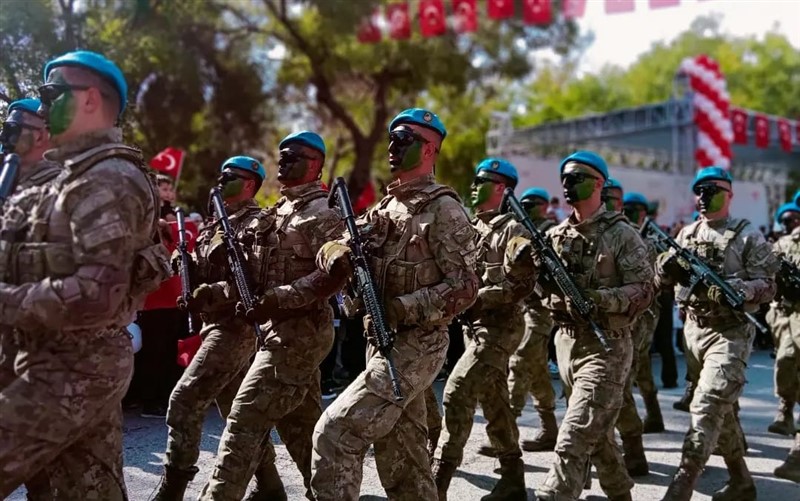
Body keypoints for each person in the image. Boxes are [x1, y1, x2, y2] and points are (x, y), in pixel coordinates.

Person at [0, 50, 169, 499]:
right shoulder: (71, 176)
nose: (41, 106)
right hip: (54, 354)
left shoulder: (109, 177)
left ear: (90, 99)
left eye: (51, 94)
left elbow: (96, 296)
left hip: (76, 364)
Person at [312, 108, 478, 500]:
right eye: (392, 138)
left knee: (336, 433)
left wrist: (405, 306)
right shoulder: (386, 208)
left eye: (404, 139)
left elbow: (466, 288)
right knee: (403, 461)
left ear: (429, 149)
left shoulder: (444, 210)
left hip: (417, 345)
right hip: (380, 343)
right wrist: (333, 252)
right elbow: (341, 249)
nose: (392, 146)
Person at [198, 131, 345, 501]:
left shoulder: (323, 213)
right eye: (281, 156)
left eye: (293, 156)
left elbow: (335, 274)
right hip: (275, 329)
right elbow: (250, 277)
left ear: (315, 164)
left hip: (303, 333)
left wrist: (282, 297)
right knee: (300, 424)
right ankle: (326, 493)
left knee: (244, 416)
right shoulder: (275, 214)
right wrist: (215, 292)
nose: (283, 162)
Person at [536, 151, 654, 501]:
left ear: (599, 183)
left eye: (577, 177)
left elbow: (644, 290)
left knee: (572, 438)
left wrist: (601, 299)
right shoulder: (555, 236)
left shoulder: (621, 234)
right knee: (598, 438)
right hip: (566, 344)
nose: (568, 183)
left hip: (608, 347)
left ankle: (555, 494)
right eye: (566, 178)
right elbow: (542, 294)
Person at [153, 155, 272, 500]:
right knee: (237, 412)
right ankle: (270, 486)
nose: (221, 183)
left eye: (230, 177)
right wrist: (183, 261)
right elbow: (202, 268)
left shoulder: (257, 224)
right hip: (212, 325)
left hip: (235, 327)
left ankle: (172, 489)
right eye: (220, 176)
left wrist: (211, 292)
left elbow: (254, 282)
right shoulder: (214, 224)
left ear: (250, 184)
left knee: (184, 400)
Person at [656, 166, 777, 501]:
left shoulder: (748, 235)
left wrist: (737, 289)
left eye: (711, 189)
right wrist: (665, 268)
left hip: (731, 333)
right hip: (694, 331)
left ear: (729, 194)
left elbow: (769, 286)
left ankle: (683, 482)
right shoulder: (686, 233)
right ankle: (741, 481)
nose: (703, 196)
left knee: (707, 404)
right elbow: (662, 282)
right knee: (722, 414)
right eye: (699, 190)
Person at [434, 158, 535, 500]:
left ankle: (439, 480)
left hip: (500, 328)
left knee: (457, 391)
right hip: (473, 329)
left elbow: (522, 285)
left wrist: (477, 297)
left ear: (501, 189)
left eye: (483, 182)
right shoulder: (472, 227)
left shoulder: (514, 231)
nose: (474, 187)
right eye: (475, 182)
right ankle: (513, 479)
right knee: (494, 402)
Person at [0, 97, 64, 499]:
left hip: (45, 343)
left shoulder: (64, 184)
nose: (7, 133)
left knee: (51, 467)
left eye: (17, 126)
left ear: (43, 133)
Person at [505, 187, 559, 452]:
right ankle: (550, 430)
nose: (527, 208)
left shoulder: (551, 232)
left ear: (546, 206)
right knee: (537, 372)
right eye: (524, 204)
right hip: (524, 308)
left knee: (519, 363)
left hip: (543, 310)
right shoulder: (519, 232)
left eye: (533, 204)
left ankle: (504, 435)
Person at [765, 202, 800, 436]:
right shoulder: (780, 246)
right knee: (786, 360)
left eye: (795, 218)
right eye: (786, 221)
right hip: (784, 315)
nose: (791, 224)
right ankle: (786, 409)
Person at [774, 200, 800, 483]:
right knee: (785, 362)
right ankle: (785, 408)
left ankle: (797, 457)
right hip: (791, 317)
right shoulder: (785, 243)